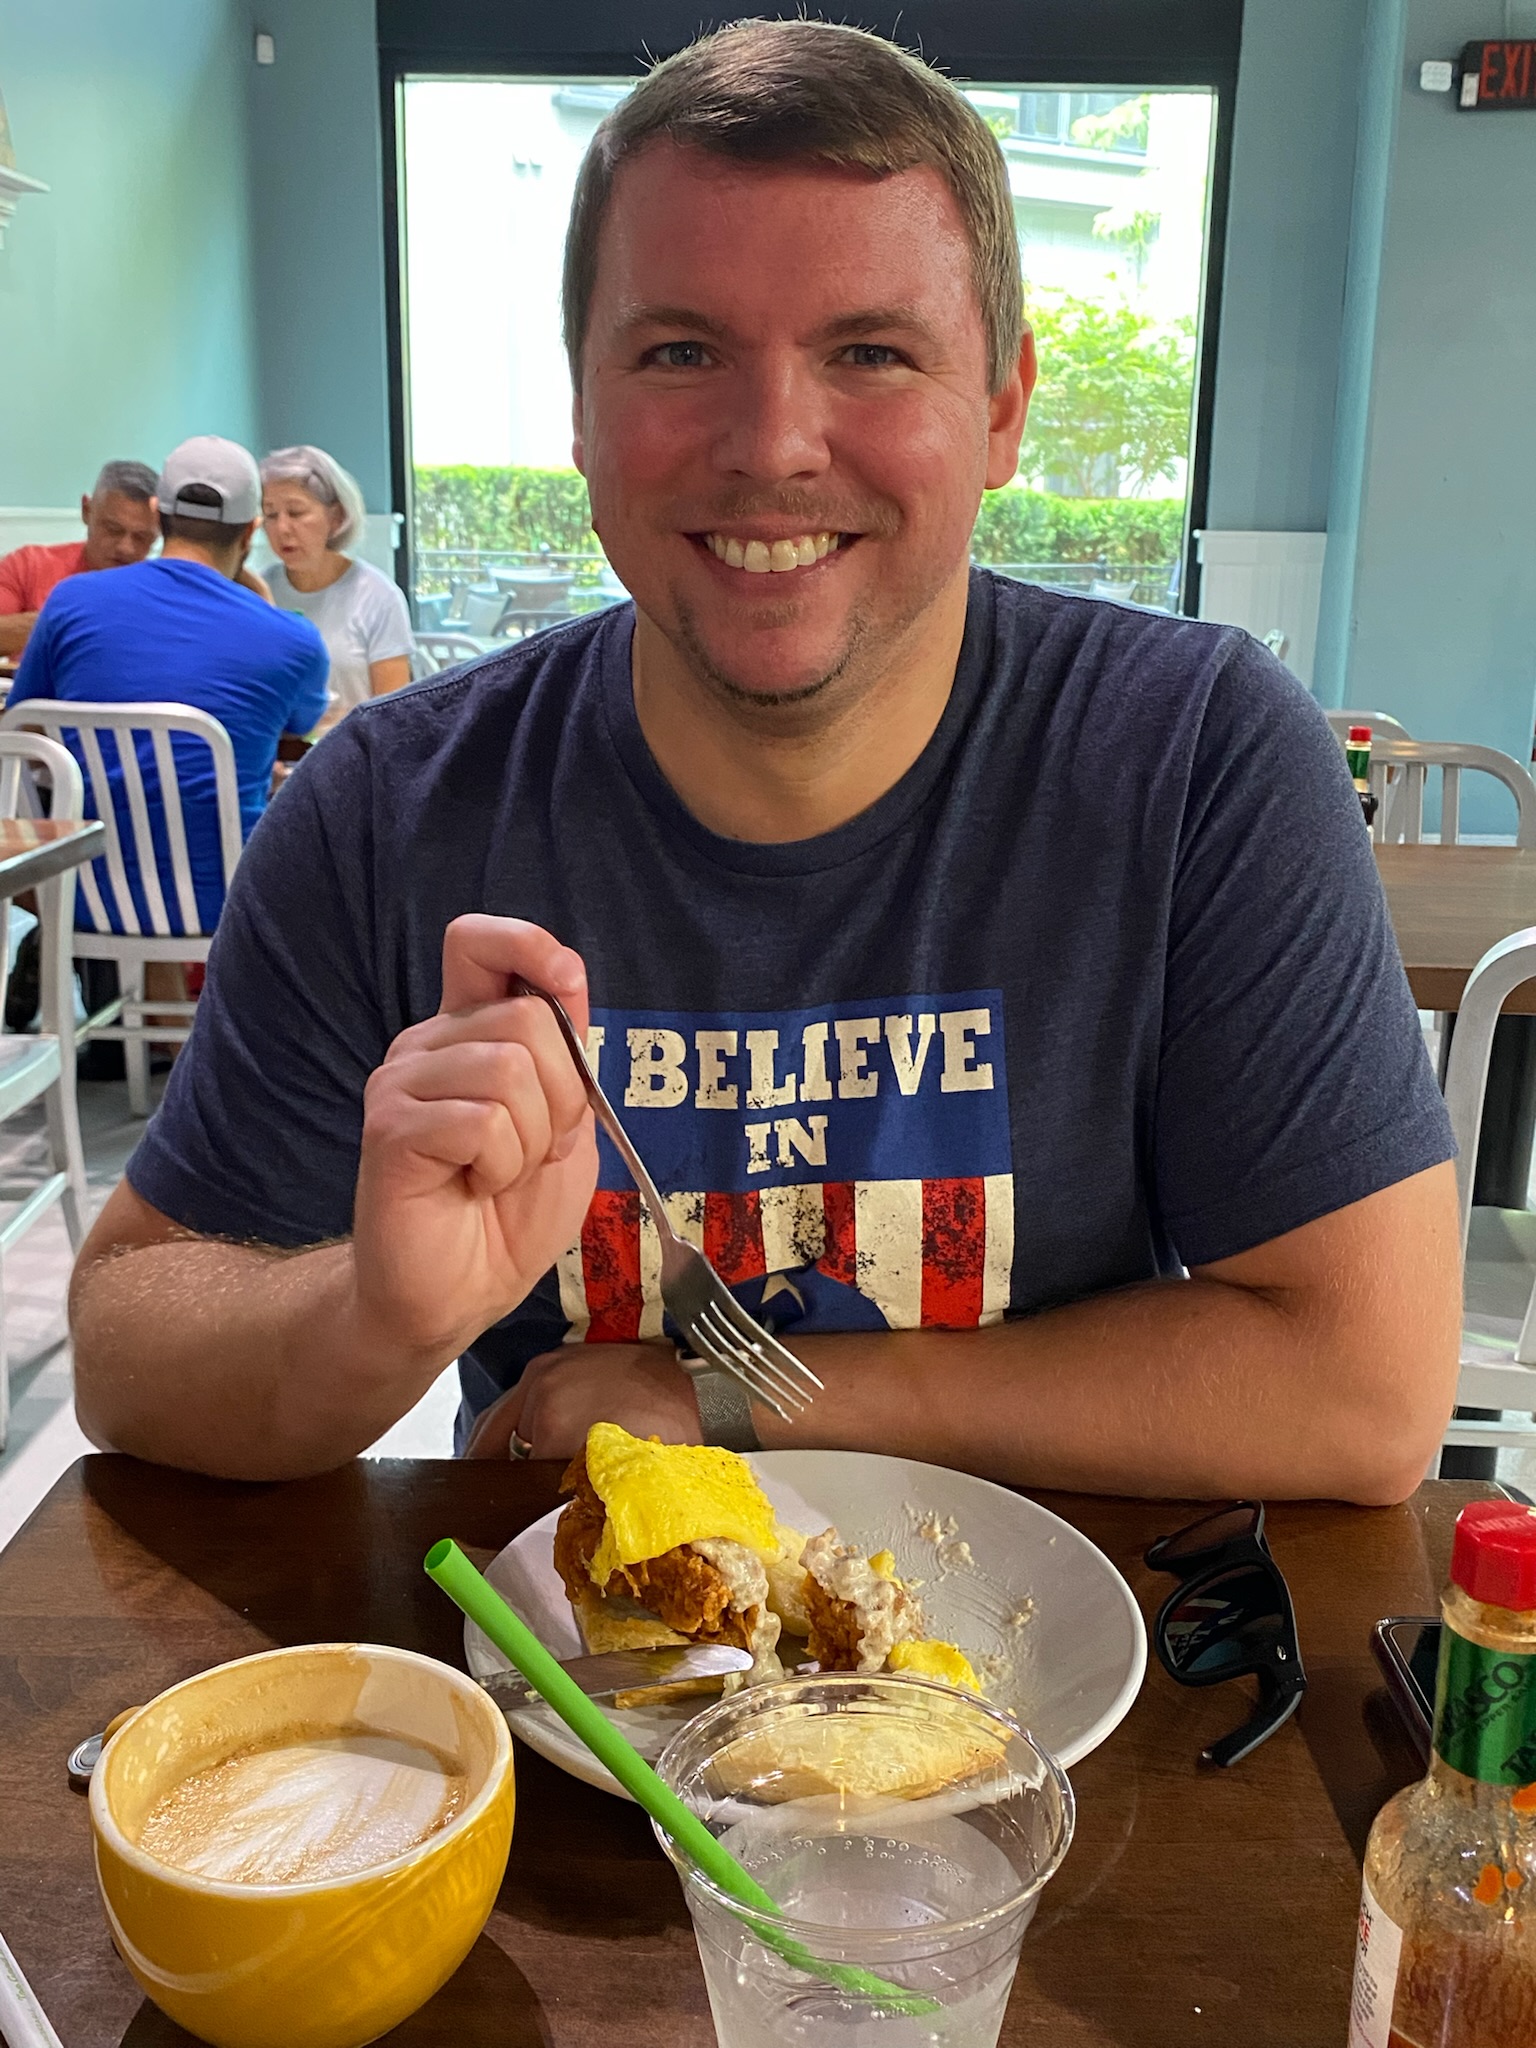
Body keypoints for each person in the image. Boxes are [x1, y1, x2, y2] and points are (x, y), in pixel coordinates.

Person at [70, 22, 1460, 1503]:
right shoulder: (385, 812)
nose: (774, 445)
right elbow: (126, 1348)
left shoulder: (1197, 756)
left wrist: (724, 1391)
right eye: (681, 351)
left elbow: (1365, 1393)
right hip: (580, 1701)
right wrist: (374, 1318)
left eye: (870, 352)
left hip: (1073, 1683)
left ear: (1000, 408)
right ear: (584, 409)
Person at [10, 436, 328, 933]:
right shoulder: (292, 639)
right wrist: (261, 598)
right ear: (251, 531)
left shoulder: (70, 602)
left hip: (80, 896)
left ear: (158, 516)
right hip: (229, 901)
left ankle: (138, 1006)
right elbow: (302, 726)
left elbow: (24, 726)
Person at [259, 446, 413, 721]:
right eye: (270, 515)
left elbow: (394, 714)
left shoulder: (378, 597)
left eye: (296, 512)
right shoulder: (259, 590)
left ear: (336, 517)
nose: (282, 528)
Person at [0, 461, 160, 657]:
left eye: (141, 538)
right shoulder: (29, 565)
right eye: (113, 530)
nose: (125, 548)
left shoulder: (163, 594)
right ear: (87, 510)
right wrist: (68, 621)